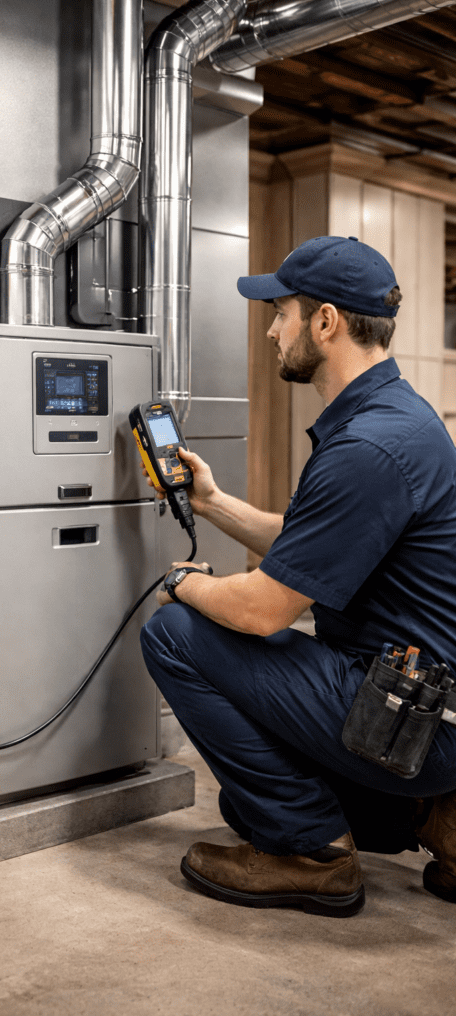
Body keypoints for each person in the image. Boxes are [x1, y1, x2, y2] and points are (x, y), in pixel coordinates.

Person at [140, 235, 456, 918]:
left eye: (280, 312)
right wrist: (213, 503)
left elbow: (261, 611)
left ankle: (311, 855)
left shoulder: (368, 447)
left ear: (325, 322)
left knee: (173, 632)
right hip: (422, 703)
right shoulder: (395, 418)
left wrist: (182, 584)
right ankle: (436, 815)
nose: (270, 329)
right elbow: (313, 544)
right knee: (241, 799)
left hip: (410, 718)